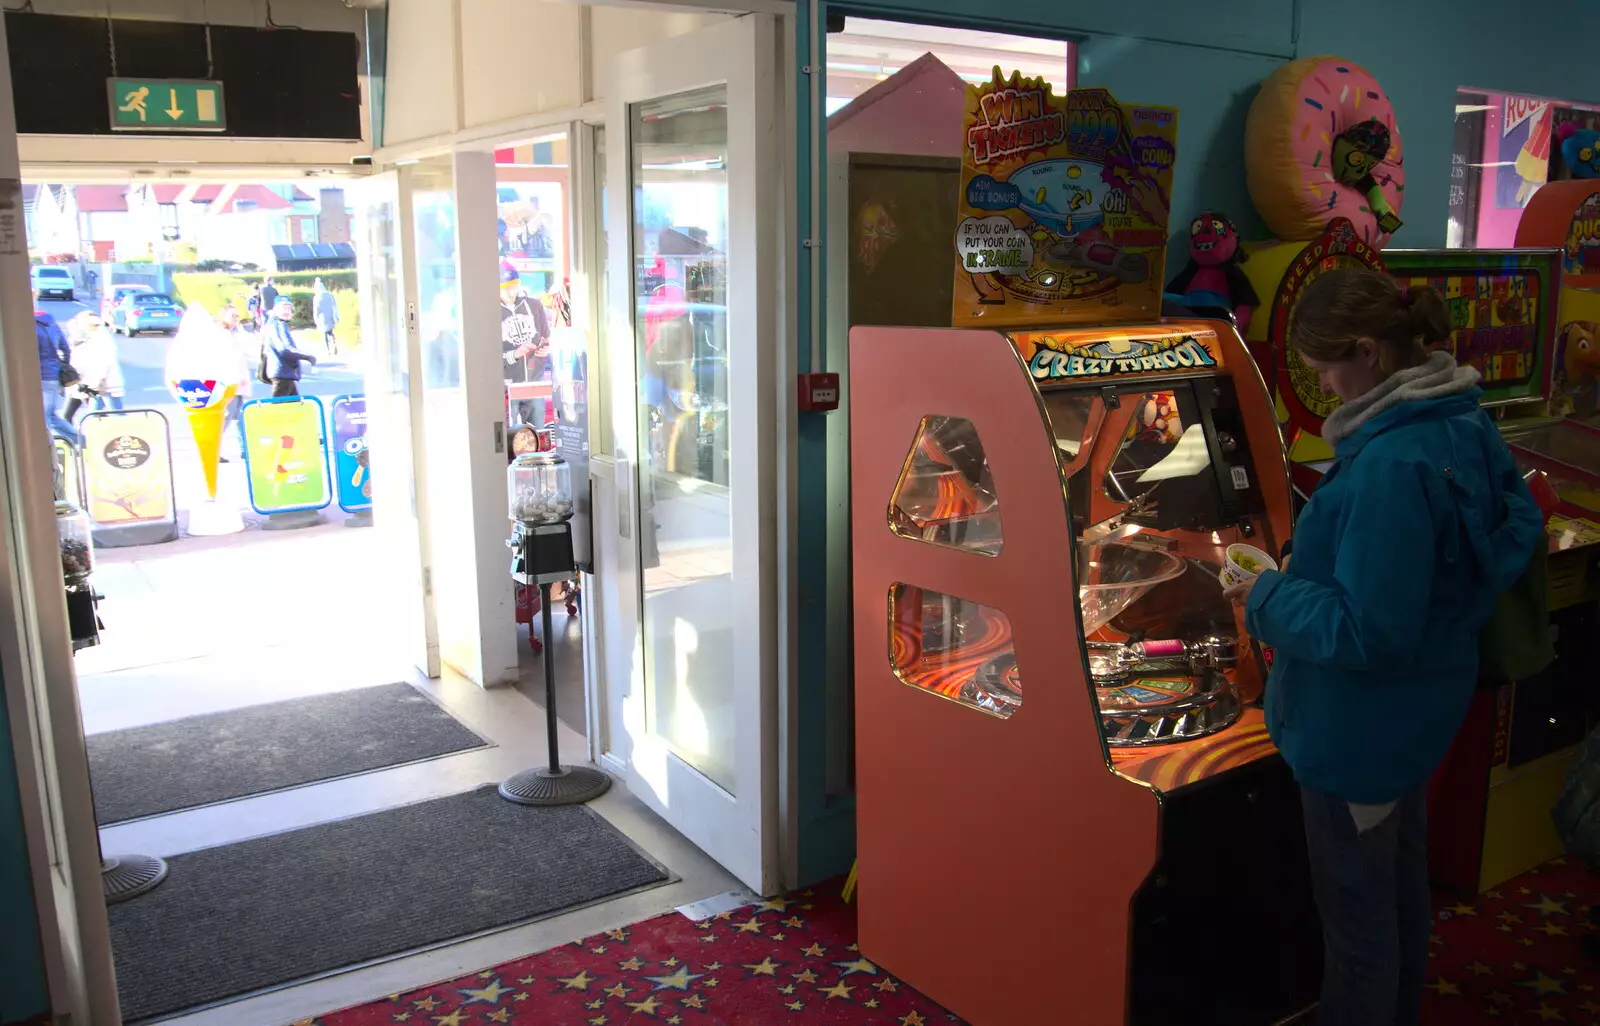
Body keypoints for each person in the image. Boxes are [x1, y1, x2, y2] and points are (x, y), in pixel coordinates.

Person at [1226, 267, 1543, 1025]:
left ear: (1366, 352)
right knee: (1399, 892)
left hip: (1356, 729)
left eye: (1324, 368)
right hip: (1421, 708)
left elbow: (1368, 629)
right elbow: (1507, 535)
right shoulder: (1461, 421)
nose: (1325, 385)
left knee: (1357, 929)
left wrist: (1264, 594)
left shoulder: (1393, 466)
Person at [499, 261, 550, 426]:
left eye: (515, 286)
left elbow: (547, 337)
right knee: (512, 438)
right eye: (507, 288)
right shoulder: (491, 312)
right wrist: (515, 354)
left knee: (538, 434)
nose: (512, 292)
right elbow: (488, 357)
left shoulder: (534, 306)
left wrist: (546, 349)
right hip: (508, 387)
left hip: (535, 381)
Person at [61, 311, 124, 424]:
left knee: (112, 415)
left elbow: (105, 361)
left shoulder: (100, 337)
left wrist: (100, 379)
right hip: (93, 384)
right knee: (97, 416)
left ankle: (125, 435)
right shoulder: (91, 337)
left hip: (104, 384)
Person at [35, 311, 78, 442]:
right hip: (54, 376)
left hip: (41, 376)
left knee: (44, 417)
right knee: (50, 415)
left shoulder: (31, 326)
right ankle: (80, 441)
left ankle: (46, 449)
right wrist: (61, 367)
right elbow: (66, 349)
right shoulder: (53, 324)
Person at [263, 295, 315, 397]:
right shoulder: (277, 324)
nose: (287, 311)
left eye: (289, 308)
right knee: (279, 409)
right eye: (283, 308)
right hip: (282, 374)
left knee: (294, 408)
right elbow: (284, 349)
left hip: (285, 374)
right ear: (276, 309)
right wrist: (307, 356)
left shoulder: (278, 324)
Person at [312, 277, 340, 356]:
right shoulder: (329, 294)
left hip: (322, 317)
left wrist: (315, 318)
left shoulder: (317, 297)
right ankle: (333, 341)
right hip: (331, 316)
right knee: (330, 332)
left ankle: (327, 350)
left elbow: (316, 309)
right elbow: (334, 304)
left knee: (324, 334)